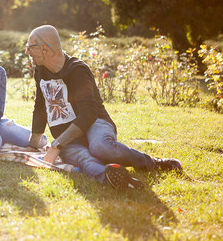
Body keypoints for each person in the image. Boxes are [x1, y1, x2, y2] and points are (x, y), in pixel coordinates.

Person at [25, 25, 182, 190]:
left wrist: (57, 144)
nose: (27, 51)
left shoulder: (77, 70)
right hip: (67, 138)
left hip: (95, 123)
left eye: (30, 47)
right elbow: (40, 107)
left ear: (45, 49)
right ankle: (114, 178)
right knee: (84, 159)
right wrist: (32, 145)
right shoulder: (40, 70)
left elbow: (88, 114)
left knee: (101, 147)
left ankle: (150, 163)